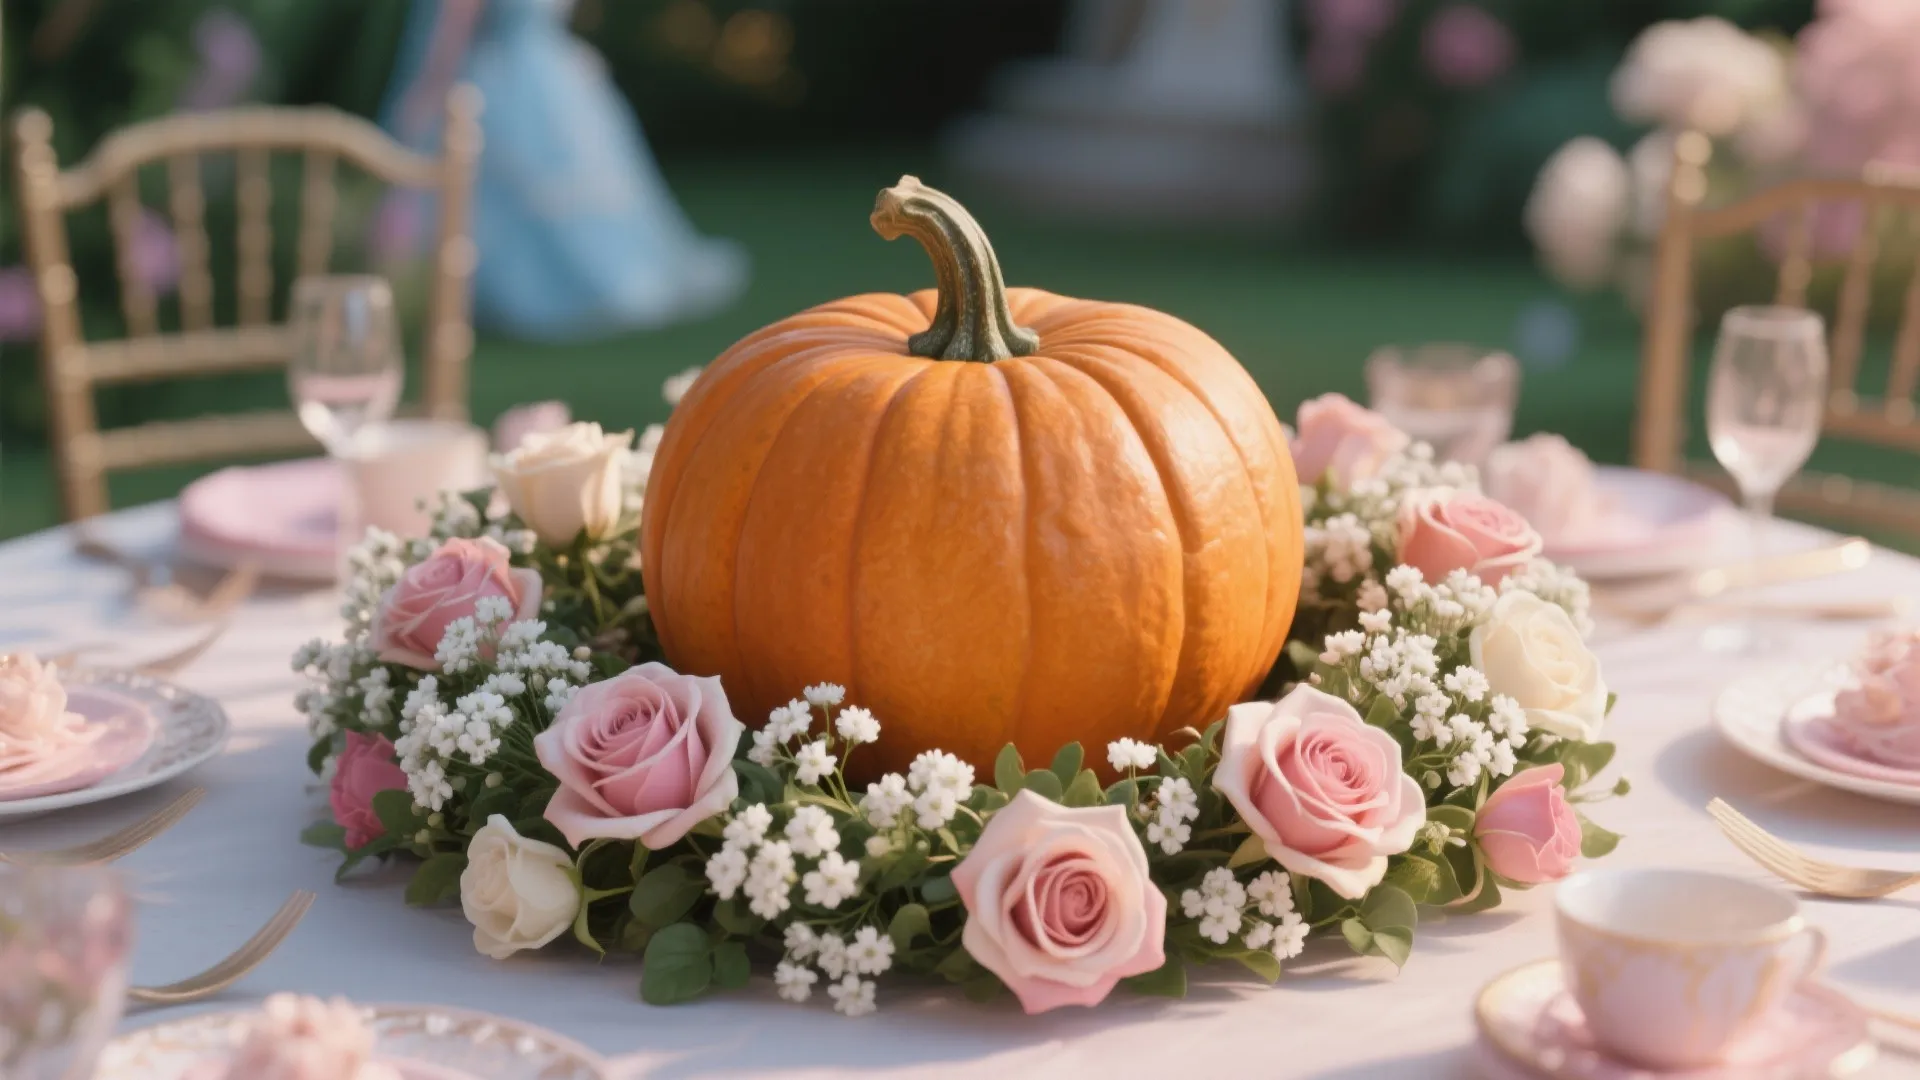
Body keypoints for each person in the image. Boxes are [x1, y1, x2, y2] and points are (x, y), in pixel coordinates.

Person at [377, 0, 747, 340]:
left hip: (502, 84)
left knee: (492, 187)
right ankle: (601, 284)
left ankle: (536, 296)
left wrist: (419, 103)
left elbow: (450, 33)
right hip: (553, 72)